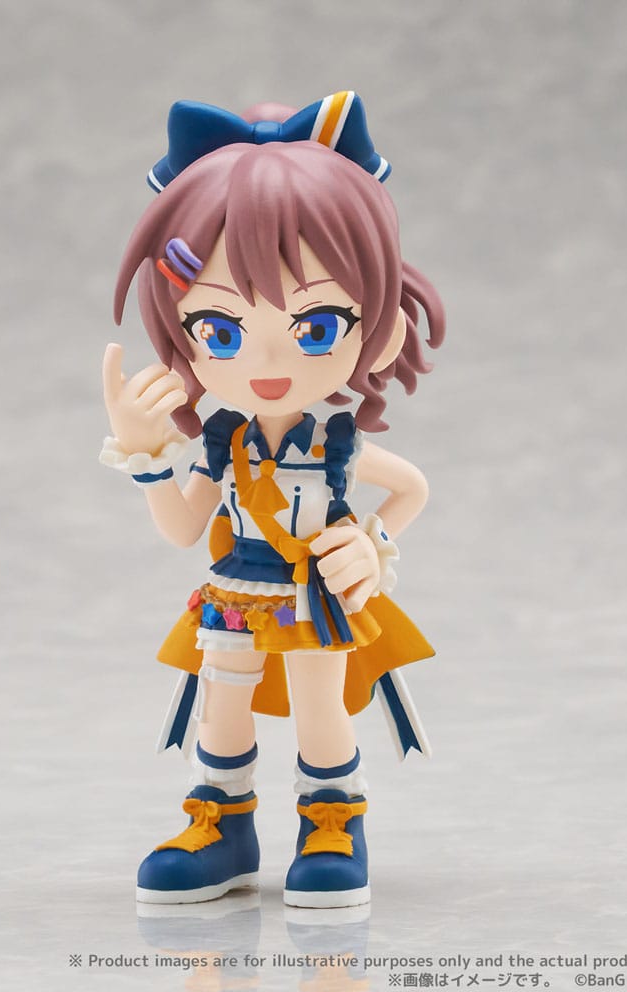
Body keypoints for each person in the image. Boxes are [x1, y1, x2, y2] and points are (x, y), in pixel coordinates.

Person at [101, 92, 445, 907]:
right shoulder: (224, 442)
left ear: (380, 328)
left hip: (316, 595)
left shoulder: (335, 446)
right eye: (219, 332)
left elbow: (412, 488)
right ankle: (222, 825)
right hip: (232, 595)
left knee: (322, 710)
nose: (264, 364)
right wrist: (147, 456)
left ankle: (332, 825)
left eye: (315, 328)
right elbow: (184, 528)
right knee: (223, 710)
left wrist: (371, 546)